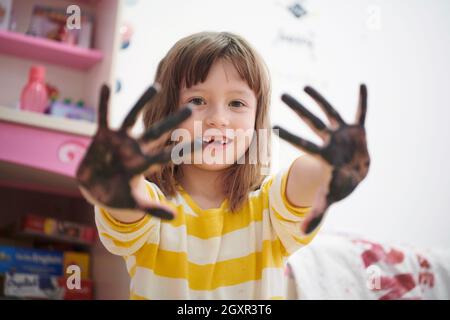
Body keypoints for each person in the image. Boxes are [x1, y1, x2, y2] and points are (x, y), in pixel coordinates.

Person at [76, 31, 370, 299]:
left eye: (237, 104)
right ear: (164, 116)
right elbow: (126, 204)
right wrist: (112, 179)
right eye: (197, 101)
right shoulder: (152, 207)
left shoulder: (268, 208)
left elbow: (303, 183)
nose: (218, 118)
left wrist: (328, 169)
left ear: (256, 123)